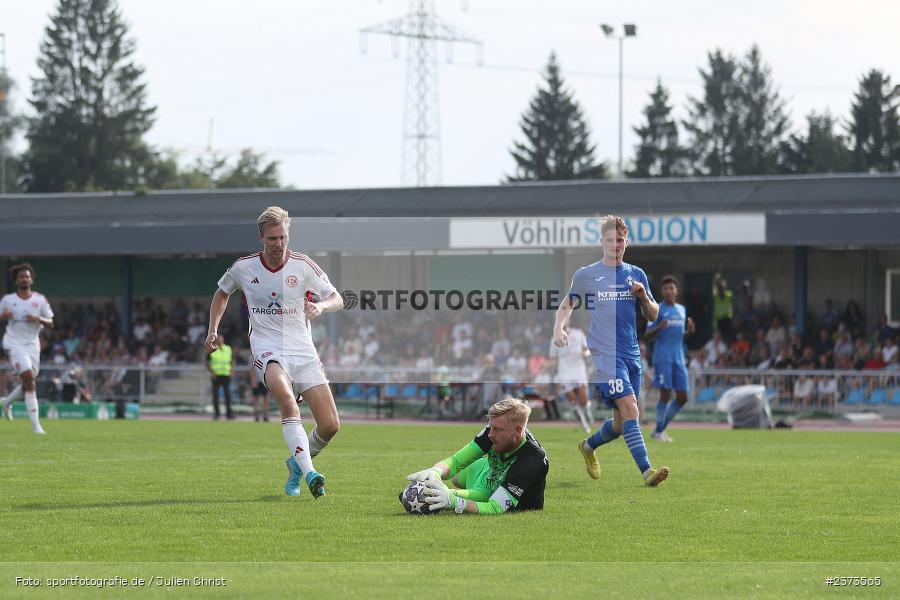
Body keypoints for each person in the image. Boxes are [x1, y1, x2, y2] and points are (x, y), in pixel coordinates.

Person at [205, 206, 344, 499]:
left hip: (302, 349)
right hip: (267, 347)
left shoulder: (303, 265)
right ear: (261, 238)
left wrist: (320, 306)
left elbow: (337, 298)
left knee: (330, 425)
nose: (279, 244)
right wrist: (213, 329)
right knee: (287, 402)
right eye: (272, 238)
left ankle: (295, 465)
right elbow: (221, 293)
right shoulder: (244, 267)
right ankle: (310, 475)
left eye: (282, 237)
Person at [552, 215, 669, 487]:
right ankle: (647, 471)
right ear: (601, 242)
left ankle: (588, 446)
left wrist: (642, 296)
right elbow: (567, 305)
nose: (615, 244)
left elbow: (653, 314)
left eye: (620, 240)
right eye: (610, 240)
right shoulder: (587, 274)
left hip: (631, 355)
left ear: (625, 242)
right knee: (631, 409)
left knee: (620, 424)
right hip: (605, 355)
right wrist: (559, 328)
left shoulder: (636, 274)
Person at [406, 397, 548, 514]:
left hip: (495, 491)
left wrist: (454, 501)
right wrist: (436, 471)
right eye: (491, 427)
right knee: (456, 478)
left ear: (517, 431)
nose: (490, 434)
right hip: (487, 473)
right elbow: (455, 462)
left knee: (465, 496)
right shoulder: (492, 432)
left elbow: (496, 506)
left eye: (497, 429)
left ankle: (444, 495)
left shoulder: (532, 459)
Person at [0, 263, 54, 434]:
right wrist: (4, 316)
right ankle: (36, 426)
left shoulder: (40, 300)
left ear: (31, 279)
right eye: (21, 276)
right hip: (14, 343)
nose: (25, 279)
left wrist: (38, 318)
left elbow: (51, 322)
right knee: (29, 379)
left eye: (27, 276)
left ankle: (6, 402)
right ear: (16, 281)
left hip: (32, 344)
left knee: (28, 382)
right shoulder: (8, 300)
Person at [644, 275, 695, 442]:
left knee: (682, 397)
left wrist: (690, 331)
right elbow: (647, 335)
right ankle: (659, 432)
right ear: (661, 291)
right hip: (663, 357)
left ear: (676, 290)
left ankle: (659, 429)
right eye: (665, 288)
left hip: (678, 358)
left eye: (671, 288)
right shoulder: (657, 309)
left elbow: (680, 336)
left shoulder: (681, 309)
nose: (668, 291)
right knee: (665, 394)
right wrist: (659, 327)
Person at [548, 322, 592, 433]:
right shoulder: (554, 339)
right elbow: (553, 359)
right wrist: (545, 368)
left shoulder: (578, 333)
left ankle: (587, 411)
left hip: (579, 371)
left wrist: (585, 354)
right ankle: (584, 424)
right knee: (573, 400)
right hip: (564, 373)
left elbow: (588, 348)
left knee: (583, 401)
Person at [207, 333, 235, 420]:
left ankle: (229, 414)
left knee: (228, 395)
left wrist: (232, 371)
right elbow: (207, 362)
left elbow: (233, 361)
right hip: (216, 375)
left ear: (223, 340)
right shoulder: (212, 349)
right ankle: (217, 413)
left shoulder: (228, 349)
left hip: (226, 374)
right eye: (218, 339)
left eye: (221, 339)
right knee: (215, 396)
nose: (219, 340)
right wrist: (212, 373)